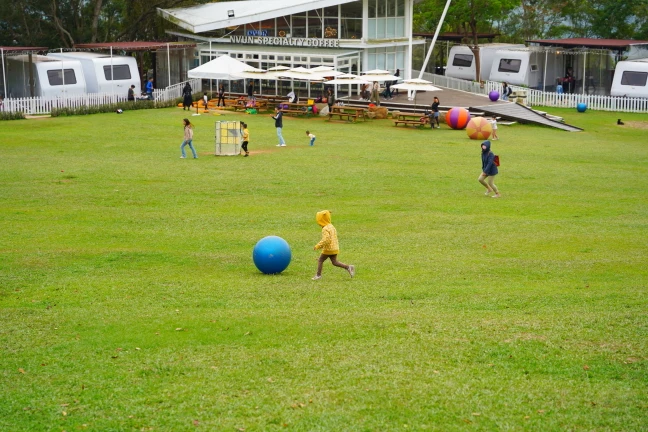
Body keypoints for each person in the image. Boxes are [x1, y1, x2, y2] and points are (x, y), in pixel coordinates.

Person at [312, 210, 355, 280]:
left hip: (328, 249)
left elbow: (326, 239)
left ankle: (318, 275)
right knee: (334, 262)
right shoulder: (331, 226)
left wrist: (318, 246)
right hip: (335, 248)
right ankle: (348, 267)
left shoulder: (325, 229)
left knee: (320, 260)